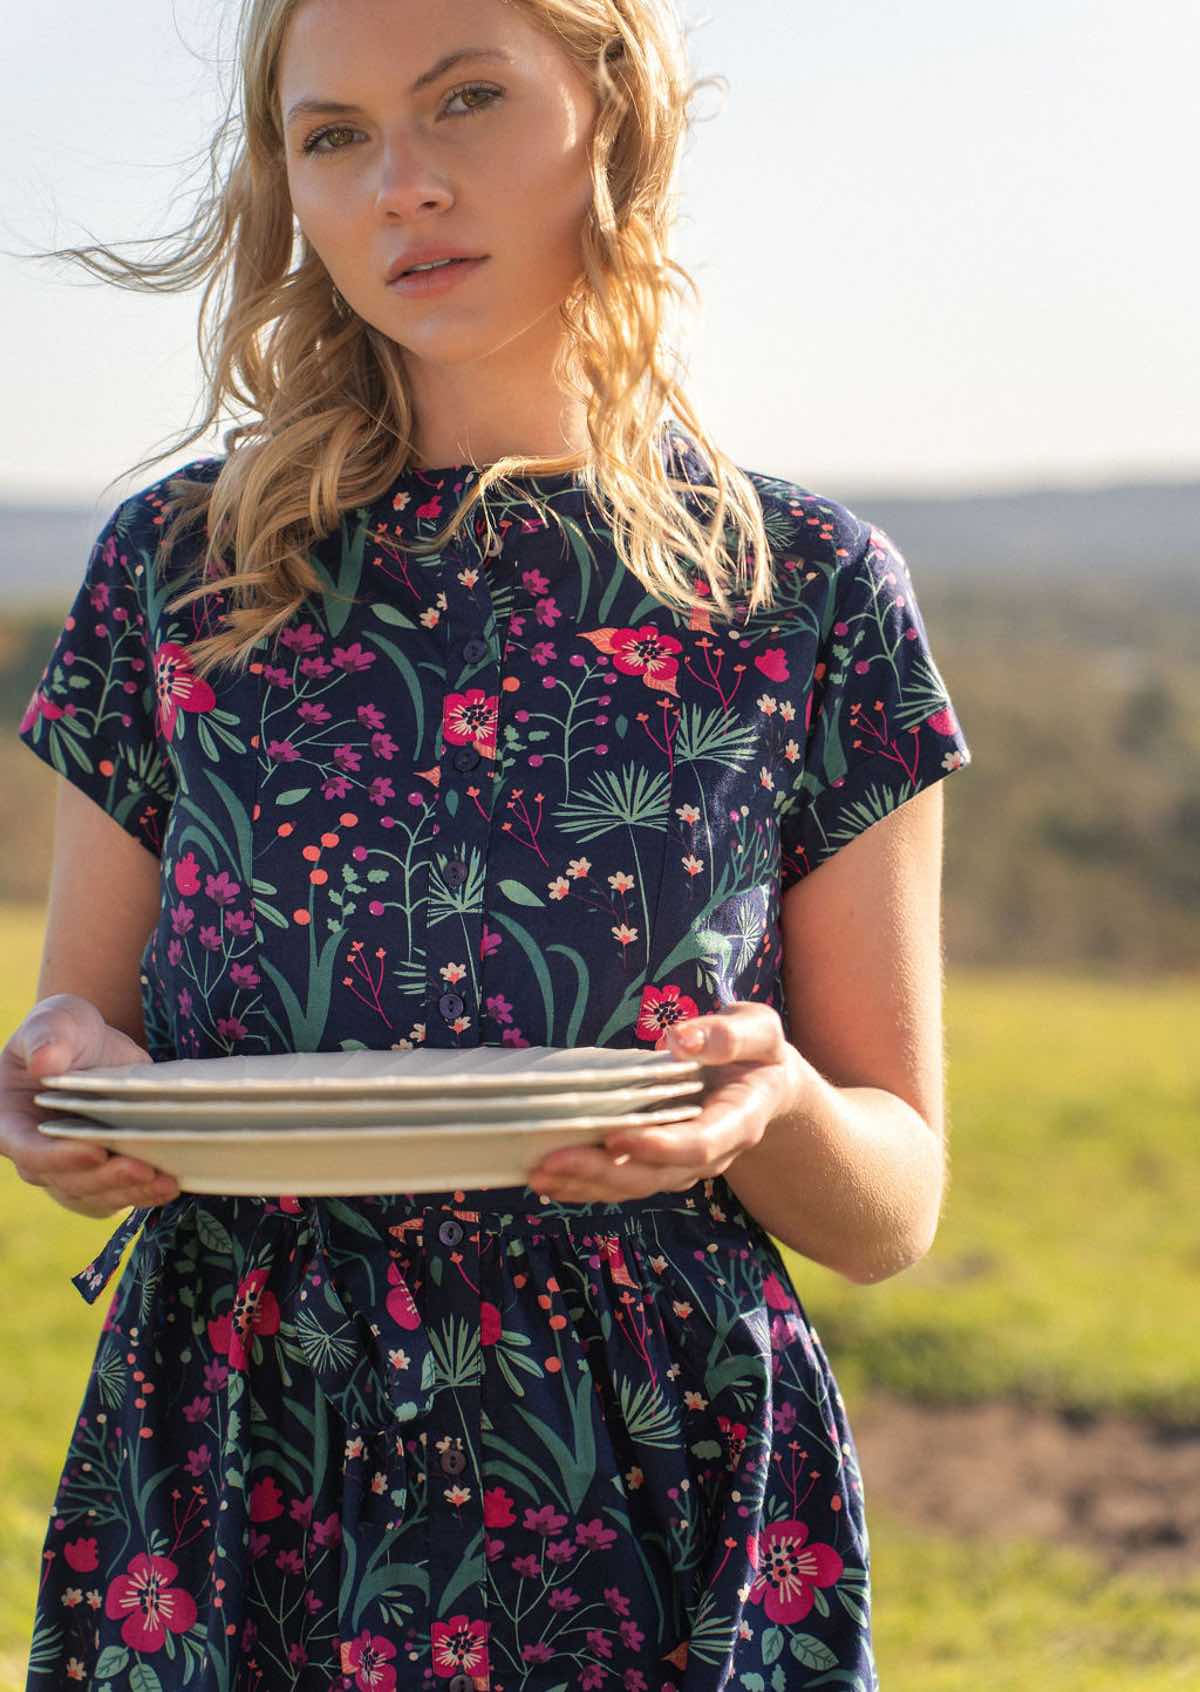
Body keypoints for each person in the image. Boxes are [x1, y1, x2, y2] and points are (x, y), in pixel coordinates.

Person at [3, 0, 972, 1686]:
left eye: (465, 104)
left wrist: (780, 1104)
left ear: (611, 112)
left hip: (645, 1476)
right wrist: (64, 1079)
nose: (402, 186)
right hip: (241, 1456)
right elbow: (82, 1030)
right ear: (287, 187)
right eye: (334, 136)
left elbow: (892, 1203)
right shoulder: (178, 571)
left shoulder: (804, 593)